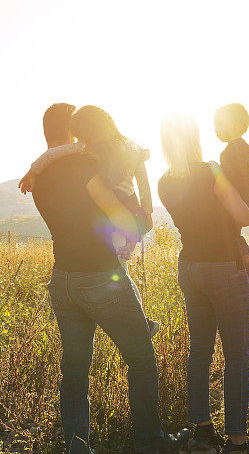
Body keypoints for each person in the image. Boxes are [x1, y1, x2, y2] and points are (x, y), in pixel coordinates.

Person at [20, 103, 189, 454]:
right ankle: (150, 444)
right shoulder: (85, 168)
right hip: (99, 277)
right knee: (142, 359)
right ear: (73, 133)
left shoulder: (40, 177)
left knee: (75, 372)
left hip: (62, 280)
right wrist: (139, 222)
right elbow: (120, 217)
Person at [157, 114, 249, 454]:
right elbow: (246, 215)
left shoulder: (164, 181)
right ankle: (237, 441)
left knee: (199, 350)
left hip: (189, 267)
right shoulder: (210, 171)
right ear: (195, 138)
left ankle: (202, 430)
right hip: (223, 267)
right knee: (237, 354)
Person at [19, 105, 160, 336]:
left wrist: (33, 170)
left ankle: (141, 323)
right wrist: (145, 215)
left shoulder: (87, 150)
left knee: (121, 271)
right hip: (133, 212)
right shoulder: (130, 147)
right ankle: (141, 322)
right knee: (122, 269)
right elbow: (145, 189)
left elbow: (53, 154)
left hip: (119, 216)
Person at [214, 103, 249, 287]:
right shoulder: (241, 147)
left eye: (219, 124)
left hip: (240, 196)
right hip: (246, 195)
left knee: (229, 231)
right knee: (232, 231)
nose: (216, 130)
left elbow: (231, 176)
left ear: (234, 124)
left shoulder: (233, 150)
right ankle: (245, 264)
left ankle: (248, 265)